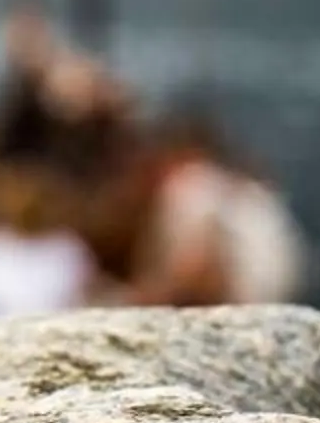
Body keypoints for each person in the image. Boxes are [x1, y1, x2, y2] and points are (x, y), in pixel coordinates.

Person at [126, 112, 306, 308]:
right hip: (277, 298)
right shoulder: (247, 188)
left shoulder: (193, 184)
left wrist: (139, 299)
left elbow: (191, 264)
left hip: (239, 297)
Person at [0, 163, 101, 321]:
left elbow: (83, 297)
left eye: (32, 201)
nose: (25, 206)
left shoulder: (69, 248)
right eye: (18, 199)